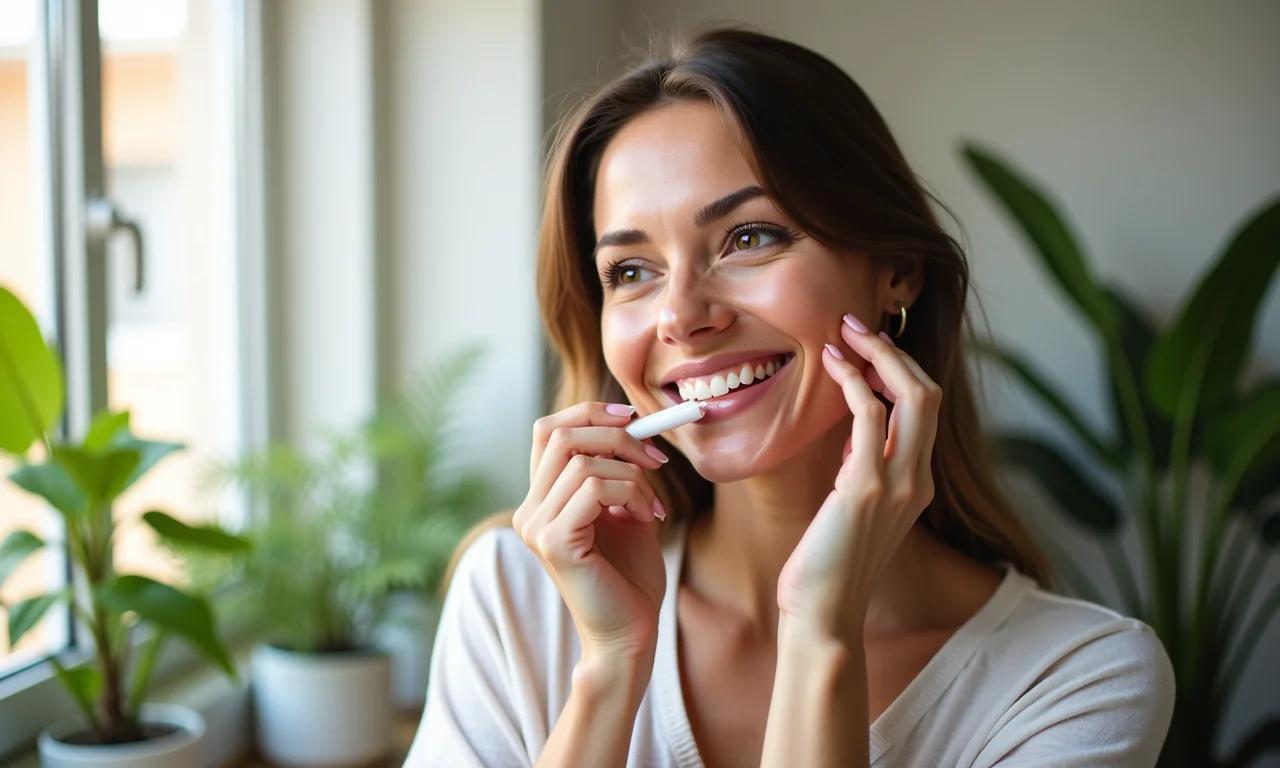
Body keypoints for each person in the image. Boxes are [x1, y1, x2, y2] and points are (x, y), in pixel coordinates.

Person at [404, 26, 1174, 768]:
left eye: (750, 237)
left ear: (896, 270)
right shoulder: (514, 603)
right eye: (631, 271)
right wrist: (608, 672)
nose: (681, 316)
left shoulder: (1078, 681)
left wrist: (820, 634)